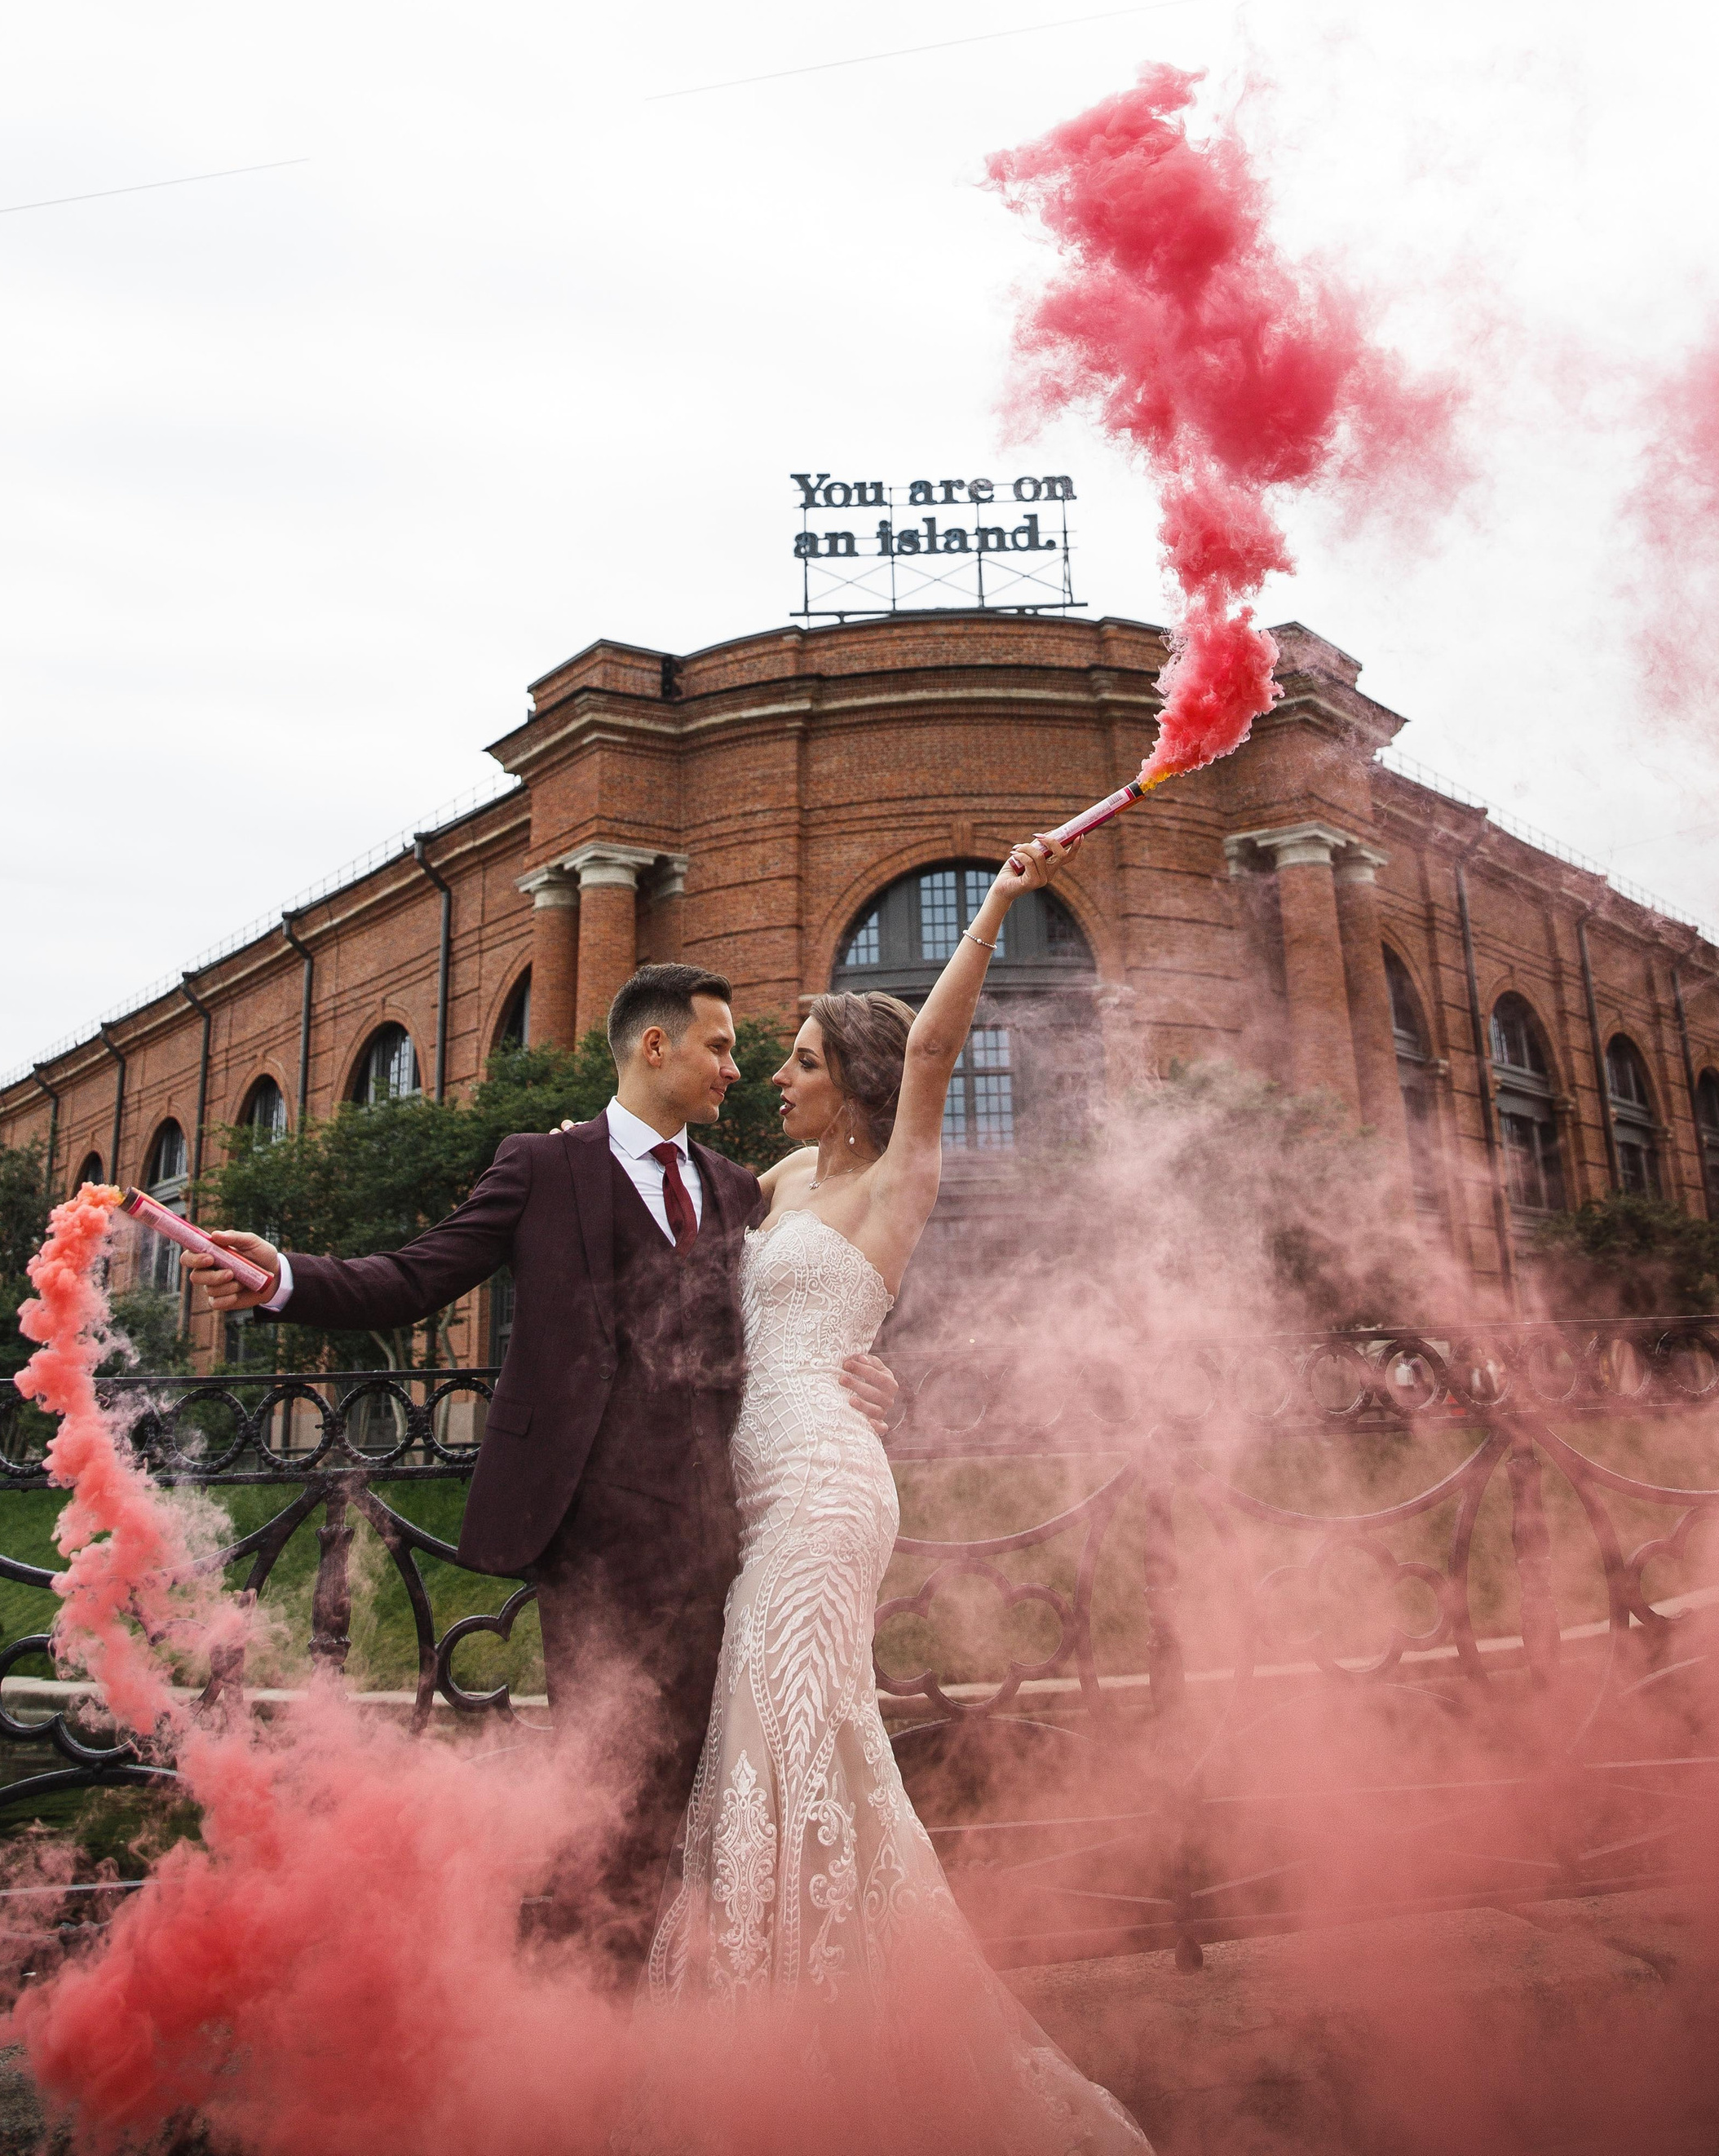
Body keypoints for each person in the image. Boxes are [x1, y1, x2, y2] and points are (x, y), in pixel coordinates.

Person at [186, 961, 898, 1973]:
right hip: (590, 1537)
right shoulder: (540, 1165)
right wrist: (283, 1277)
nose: (736, 1068)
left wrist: (873, 1383)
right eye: (722, 1045)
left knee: (713, 1788)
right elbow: (414, 1277)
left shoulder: (740, 1190)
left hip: (724, 1542)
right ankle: (587, 2021)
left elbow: (819, 1302)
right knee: (605, 1787)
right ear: (656, 1047)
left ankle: (692, 2006)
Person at [643, 835, 1149, 2154]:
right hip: (760, 1490)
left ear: (856, 1081)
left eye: (803, 1060)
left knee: (775, 1740)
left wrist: (995, 901)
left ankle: (796, 2062)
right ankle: (833, 2039)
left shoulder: (894, 1173)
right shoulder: (783, 1183)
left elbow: (931, 1050)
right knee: (809, 1758)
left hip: (822, 1496)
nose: (779, 1077)